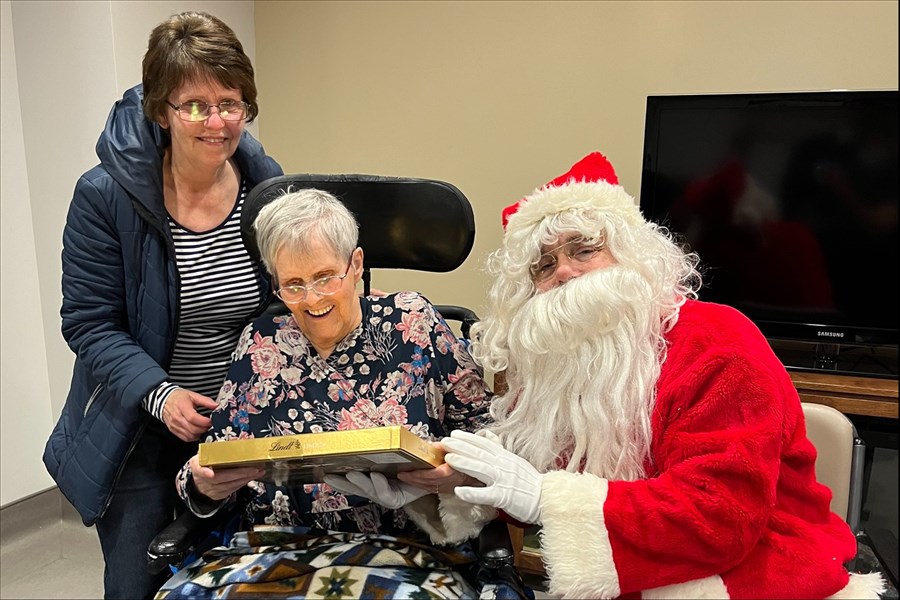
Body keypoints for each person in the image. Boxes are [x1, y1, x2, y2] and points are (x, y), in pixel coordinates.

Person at [403, 151, 887, 598]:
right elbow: (539, 486)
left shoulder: (717, 339)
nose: (565, 273)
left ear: (633, 253)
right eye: (544, 264)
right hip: (638, 573)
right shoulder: (559, 362)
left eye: (584, 249)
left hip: (759, 573)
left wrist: (540, 498)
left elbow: (720, 517)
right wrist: (458, 485)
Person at [42, 11, 283, 599]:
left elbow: (277, 308)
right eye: (194, 105)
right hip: (140, 429)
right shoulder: (103, 196)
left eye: (231, 102)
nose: (217, 121)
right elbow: (90, 324)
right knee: (139, 583)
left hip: (238, 422)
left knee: (245, 580)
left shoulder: (268, 184)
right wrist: (162, 394)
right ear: (161, 110)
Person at [156, 188, 500, 599]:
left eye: (324, 277)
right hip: (273, 551)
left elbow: (487, 431)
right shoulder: (260, 342)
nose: (312, 299)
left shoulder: (413, 322)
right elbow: (215, 459)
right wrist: (202, 485)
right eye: (294, 285)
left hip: (407, 555)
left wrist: (454, 473)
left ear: (355, 265)